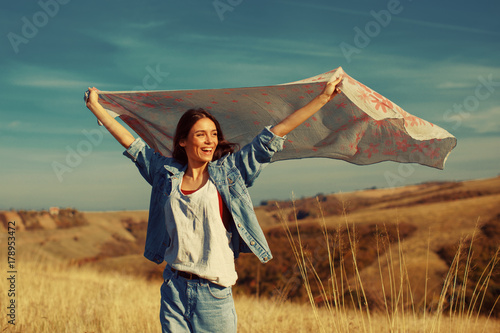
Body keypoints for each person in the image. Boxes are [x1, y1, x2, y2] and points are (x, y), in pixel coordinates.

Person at [85, 75, 342, 332]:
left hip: (214, 294)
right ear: (183, 141)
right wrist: (96, 107)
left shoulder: (230, 172)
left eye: (214, 134)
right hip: (174, 288)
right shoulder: (165, 174)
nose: (210, 140)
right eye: (201, 134)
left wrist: (322, 99)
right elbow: (134, 146)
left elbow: (271, 137)